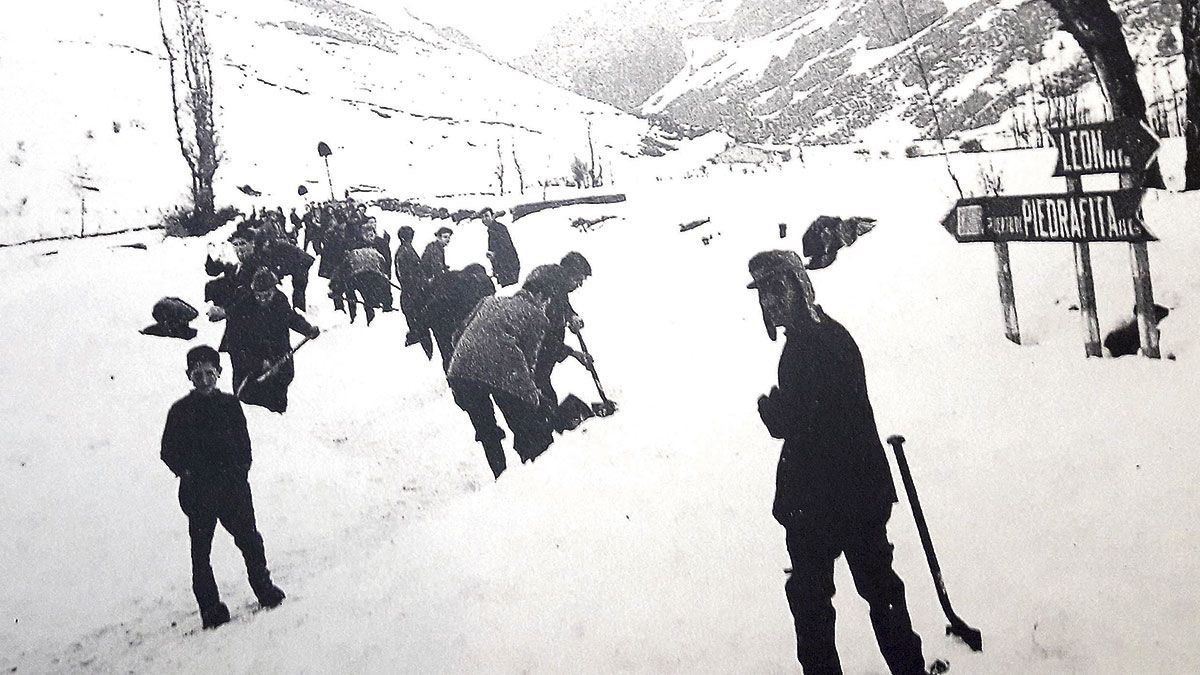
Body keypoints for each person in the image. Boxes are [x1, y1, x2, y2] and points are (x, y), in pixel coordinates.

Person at [747, 250, 930, 675]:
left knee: (873, 593)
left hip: (843, 499)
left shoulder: (826, 343)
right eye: (763, 294)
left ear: (800, 287)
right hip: (825, 500)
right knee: (818, 603)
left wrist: (778, 415)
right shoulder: (807, 342)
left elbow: (821, 420)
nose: (770, 302)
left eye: (779, 289)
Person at [160, 345, 286, 630]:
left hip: (233, 491)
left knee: (250, 541)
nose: (204, 379)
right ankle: (210, 608)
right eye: (197, 374)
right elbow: (168, 451)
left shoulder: (230, 405)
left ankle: (264, 589)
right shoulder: (180, 411)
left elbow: (244, 446)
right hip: (198, 494)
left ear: (219, 373)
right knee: (201, 553)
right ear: (189, 376)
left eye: (209, 373)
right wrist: (188, 472)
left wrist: (240, 472)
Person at [446, 269, 566, 478]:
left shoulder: (489, 302)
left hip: (460, 372)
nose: (545, 307)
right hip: (500, 371)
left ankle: (500, 478)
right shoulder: (536, 316)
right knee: (526, 425)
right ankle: (537, 471)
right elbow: (530, 363)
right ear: (540, 297)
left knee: (487, 431)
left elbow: (457, 335)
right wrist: (535, 398)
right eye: (546, 302)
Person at [222, 269, 320, 413]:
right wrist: (257, 363)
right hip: (250, 366)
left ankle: (278, 418)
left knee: (278, 394)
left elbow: (291, 317)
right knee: (253, 400)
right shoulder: (242, 307)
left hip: (278, 356)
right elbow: (235, 345)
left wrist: (307, 329)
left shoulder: (280, 301)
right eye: (258, 296)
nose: (262, 299)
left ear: (274, 289)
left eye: (267, 295)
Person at [528, 257, 593, 429]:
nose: (579, 284)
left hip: (542, 347)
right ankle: (545, 429)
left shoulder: (556, 283)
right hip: (536, 349)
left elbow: (563, 304)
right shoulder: (550, 290)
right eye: (579, 279)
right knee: (540, 385)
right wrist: (574, 354)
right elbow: (545, 340)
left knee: (541, 384)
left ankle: (547, 424)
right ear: (570, 273)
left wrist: (571, 316)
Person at [425, 264, 496, 371]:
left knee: (448, 353)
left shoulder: (451, 277)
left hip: (438, 317)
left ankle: (453, 376)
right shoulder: (476, 286)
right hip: (447, 318)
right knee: (458, 351)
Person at [394, 225, 433, 357]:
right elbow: (414, 273)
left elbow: (401, 274)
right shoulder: (407, 251)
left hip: (408, 294)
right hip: (413, 294)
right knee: (421, 326)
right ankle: (427, 354)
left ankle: (424, 350)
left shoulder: (401, 251)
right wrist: (423, 284)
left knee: (417, 325)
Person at [481, 208, 520, 287]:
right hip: (504, 267)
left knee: (509, 289)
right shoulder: (492, 229)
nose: (484, 219)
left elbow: (507, 248)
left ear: (492, 216)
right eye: (482, 217)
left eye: (487, 216)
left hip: (508, 267)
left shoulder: (499, 229)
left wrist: (495, 254)